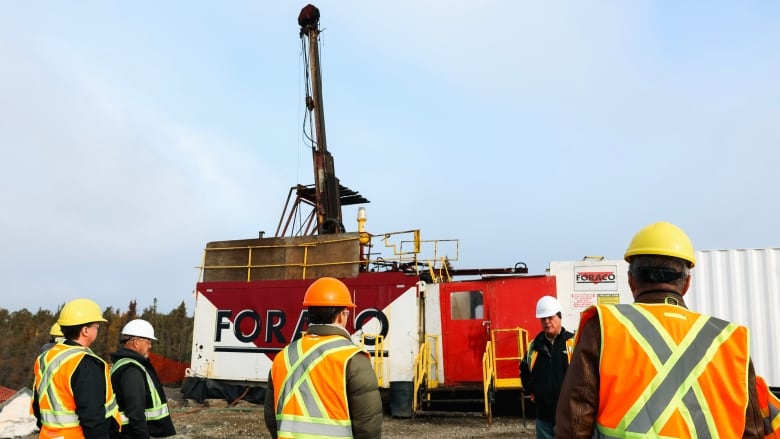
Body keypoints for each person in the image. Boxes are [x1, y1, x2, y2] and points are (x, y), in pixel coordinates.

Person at [555, 221, 763, 438]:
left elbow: (575, 420)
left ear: (631, 280)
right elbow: (752, 431)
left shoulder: (604, 326)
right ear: (687, 283)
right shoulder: (729, 338)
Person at [263, 276, 383, 439]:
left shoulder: (283, 356)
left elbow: (271, 417)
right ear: (341, 316)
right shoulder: (353, 358)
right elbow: (368, 426)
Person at [32, 298, 122, 438]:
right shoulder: (86, 363)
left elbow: (38, 403)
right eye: (96, 326)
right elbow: (93, 418)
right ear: (86, 330)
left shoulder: (45, 357)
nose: (97, 330)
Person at [109, 319, 176, 438]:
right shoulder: (131, 370)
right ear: (136, 343)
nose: (150, 346)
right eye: (148, 341)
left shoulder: (122, 364)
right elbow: (136, 412)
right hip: (129, 434)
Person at [519, 295, 574, 439]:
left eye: (550, 317)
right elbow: (524, 369)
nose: (547, 322)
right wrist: (532, 390)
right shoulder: (534, 346)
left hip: (569, 417)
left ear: (559, 317)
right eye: (543, 319)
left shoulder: (573, 343)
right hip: (543, 418)